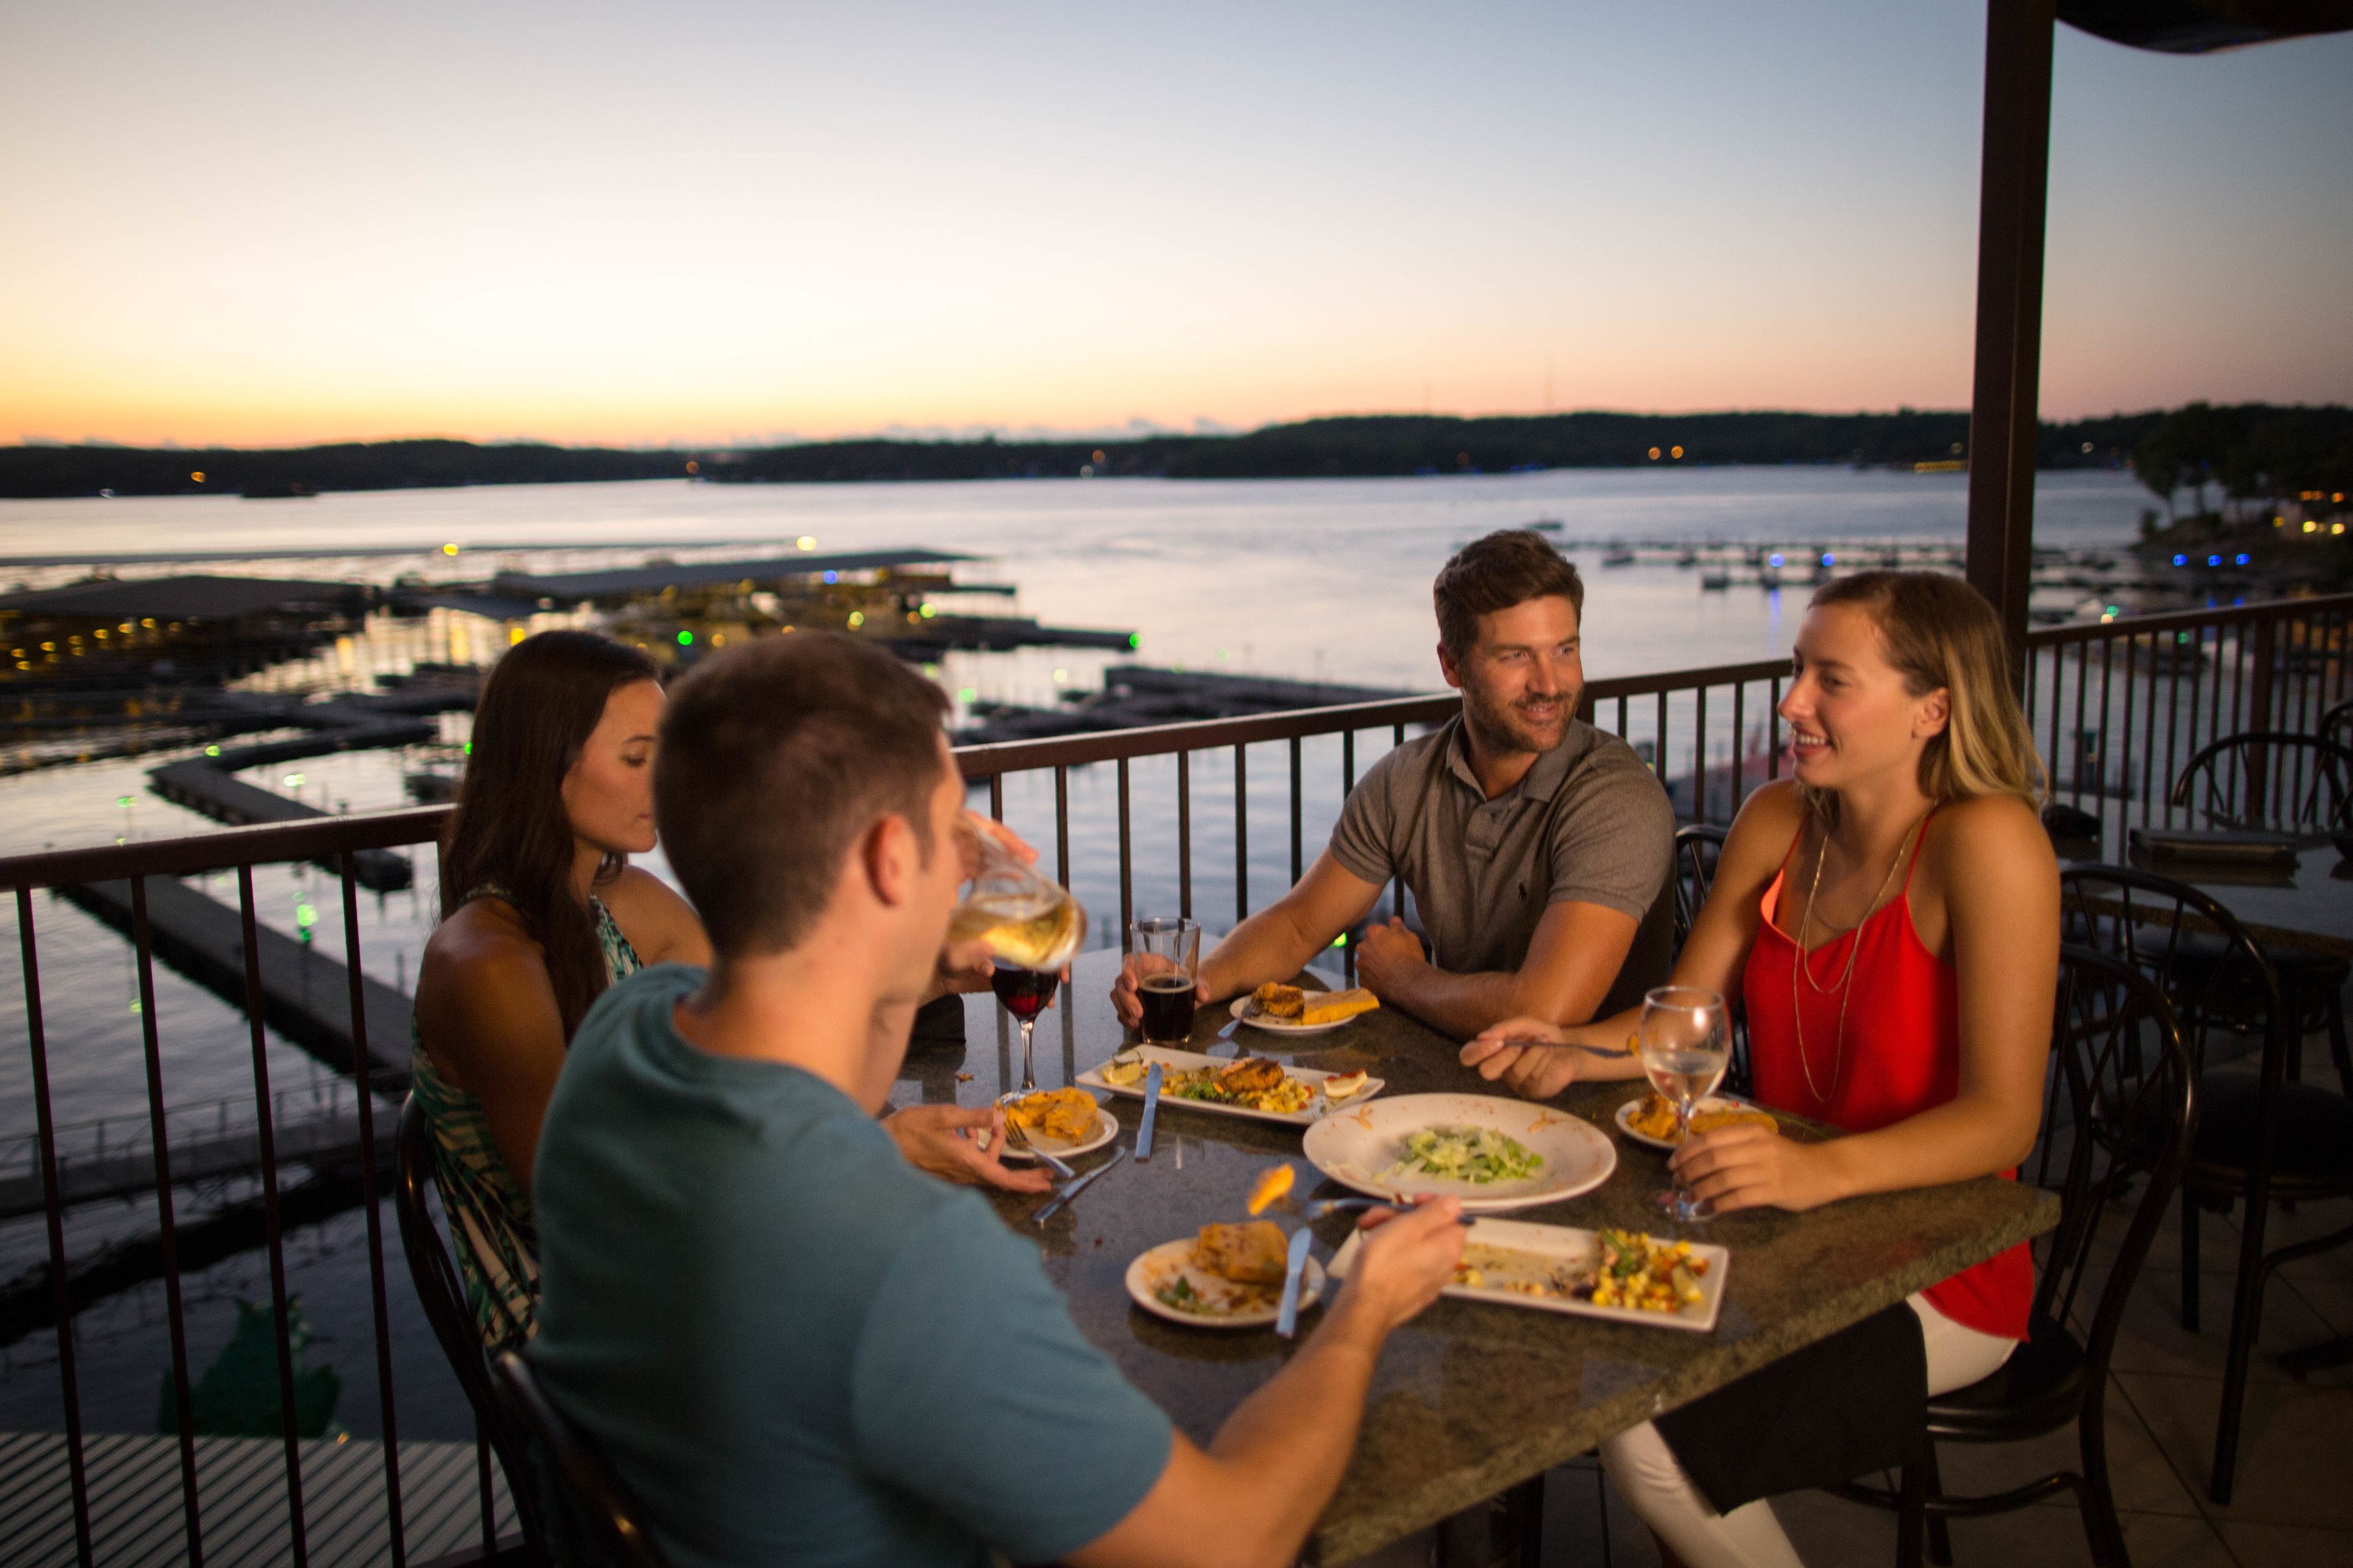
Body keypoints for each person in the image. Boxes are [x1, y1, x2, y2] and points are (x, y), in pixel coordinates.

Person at [526, 632, 1468, 1568]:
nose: (989, 853)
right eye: (959, 825)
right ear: (893, 860)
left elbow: (773, 1134)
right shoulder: (904, 1261)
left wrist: (909, 993)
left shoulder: (624, 1037)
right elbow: (1234, 1540)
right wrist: (1363, 1308)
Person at [1461, 571, 2059, 1568]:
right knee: (1545, 1290)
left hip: (1937, 1267)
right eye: (1797, 672)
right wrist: (1570, 1051)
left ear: (1933, 708)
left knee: (1644, 1418)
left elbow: (2006, 1119)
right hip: (1782, 1227)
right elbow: (1683, 1021)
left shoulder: (1990, 841)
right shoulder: (1780, 817)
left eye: (1833, 679)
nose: (1792, 702)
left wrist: (1814, 1170)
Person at [412, 629, 1046, 1352]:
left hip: (701, 1263)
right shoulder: (485, 964)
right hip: (594, 1352)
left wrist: (928, 976)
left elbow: (767, 1032)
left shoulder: (623, 903)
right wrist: (867, 1156)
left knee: (951, 1303)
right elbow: (592, 1222)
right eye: (635, 759)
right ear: (545, 765)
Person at [1112, 528, 1675, 1040]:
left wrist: (1404, 977)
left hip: (1604, 1109)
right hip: (1463, 1073)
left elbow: (1547, 1009)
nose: (1550, 683)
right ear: (1451, 666)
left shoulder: (1614, 797)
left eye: (1565, 650)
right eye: (1516, 656)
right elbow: (1298, 924)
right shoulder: (1406, 780)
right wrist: (1195, 980)